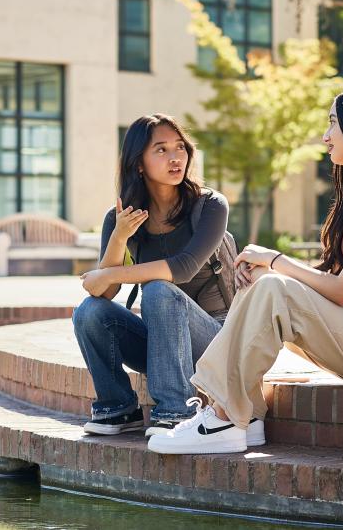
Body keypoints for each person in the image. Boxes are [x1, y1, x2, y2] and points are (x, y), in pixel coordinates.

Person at [148, 85, 343, 454]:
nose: (326, 136)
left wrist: (275, 260)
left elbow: (340, 289)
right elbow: (328, 283)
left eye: (333, 123)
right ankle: (246, 416)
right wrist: (263, 272)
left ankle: (223, 414)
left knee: (273, 284)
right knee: (261, 283)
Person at [72, 113, 256, 440]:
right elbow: (107, 292)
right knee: (89, 312)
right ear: (139, 163)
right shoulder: (121, 216)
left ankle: (177, 410)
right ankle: (117, 407)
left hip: (216, 339)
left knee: (158, 289)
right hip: (163, 342)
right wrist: (118, 237)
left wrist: (111, 272)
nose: (175, 158)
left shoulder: (209, 205)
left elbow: (183, 267)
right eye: (160, 149)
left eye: (180, 147)